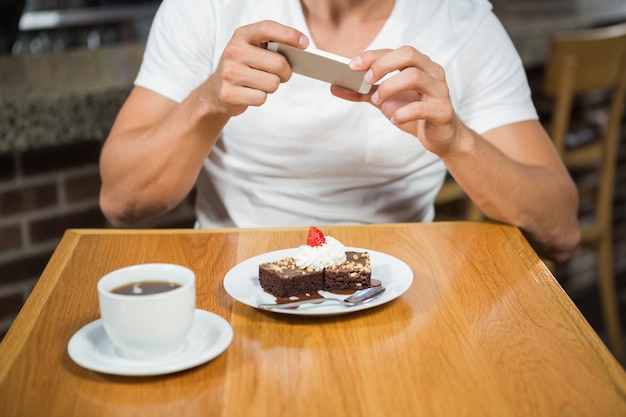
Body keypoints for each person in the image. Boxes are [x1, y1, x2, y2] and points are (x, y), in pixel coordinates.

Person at [99, 0, 580, 262]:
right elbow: (122, 201)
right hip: (234, 283)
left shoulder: (465, 24)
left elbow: (560, 229)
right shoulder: (203, 9)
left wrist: (457, 141)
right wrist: (208, 101)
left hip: (395, 291)